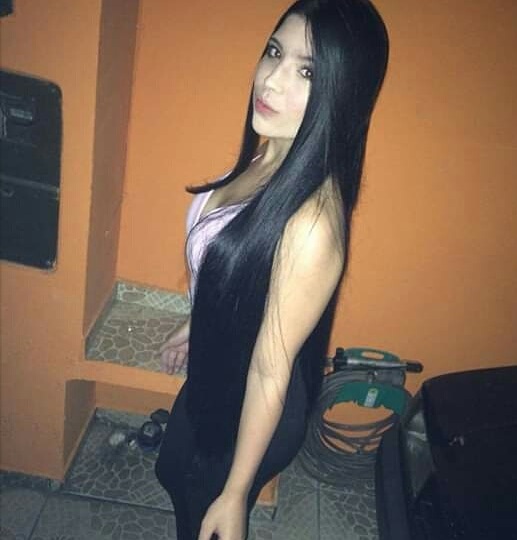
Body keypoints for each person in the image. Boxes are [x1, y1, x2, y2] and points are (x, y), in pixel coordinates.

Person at [155, 1, 389, 538]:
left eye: (307, 72)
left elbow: (268, 371)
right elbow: (237, 268)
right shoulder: (270, 153)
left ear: (343, 93)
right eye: (274, 52)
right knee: (173, 470)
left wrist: (237, 494)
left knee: (200, 508)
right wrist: (196, 323)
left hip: (253, 401)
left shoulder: (311, 225)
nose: (271, 79)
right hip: (218, 370)